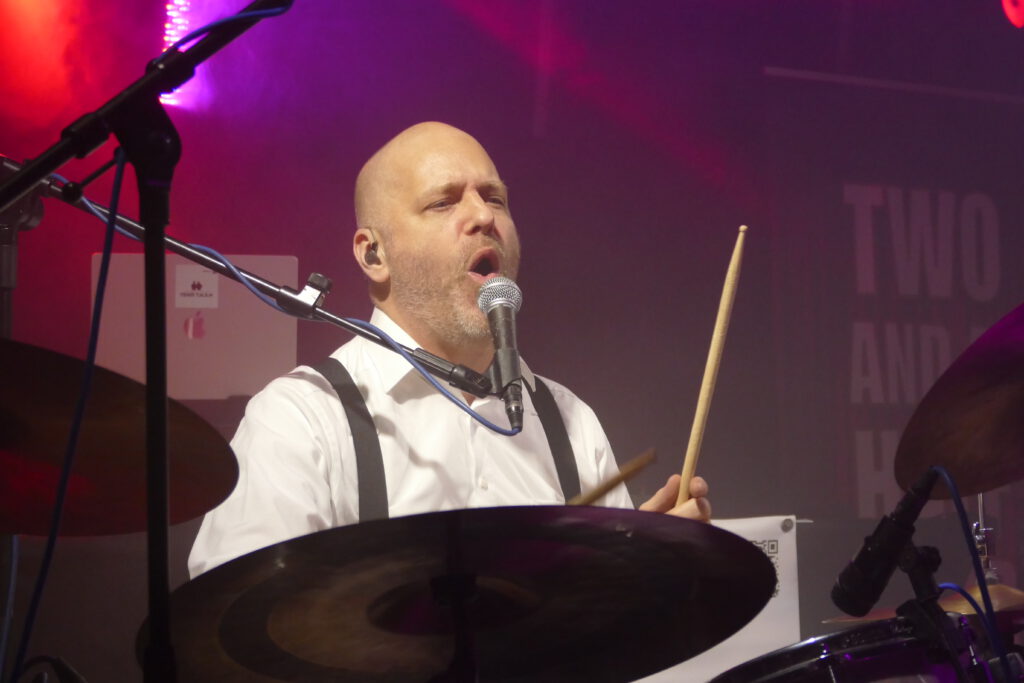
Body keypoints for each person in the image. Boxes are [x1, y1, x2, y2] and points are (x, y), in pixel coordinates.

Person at [188, 122, 710, 578]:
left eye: (495, 198)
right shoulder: (302, 418)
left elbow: (603, 629)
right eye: (444, 202)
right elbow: (243, 625)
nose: (483, 216)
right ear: (374, 254)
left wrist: (639, 572)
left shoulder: (569, 422)